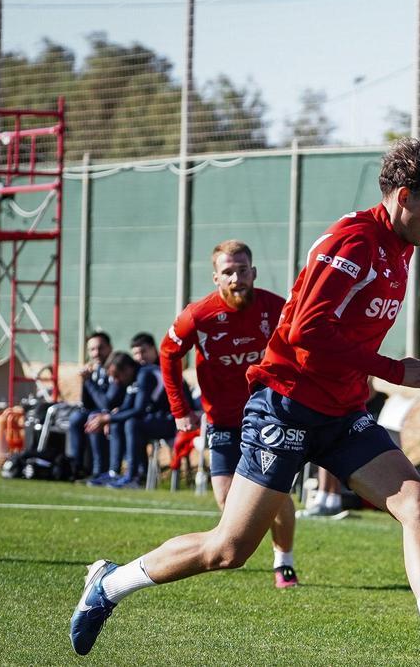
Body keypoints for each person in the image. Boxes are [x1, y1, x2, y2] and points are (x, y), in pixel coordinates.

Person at [71, 138, 420, 666]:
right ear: (404, 196)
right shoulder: (353, 243)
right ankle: (108, 584)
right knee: (229, 550)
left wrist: (374, 374)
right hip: (286, 405)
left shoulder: (400, 246)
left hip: (341, 411)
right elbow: (307, 331)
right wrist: (396, 369)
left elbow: (341, 333)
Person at [158, 239, 299, 588]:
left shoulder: (276, 308)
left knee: (276, 495)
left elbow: (301, 347)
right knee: (226, 499)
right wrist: (180, 410)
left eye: (242, 270)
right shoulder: (199, 316)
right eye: (228, 272)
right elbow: (168, 354)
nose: (237, 278)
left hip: (270, 417)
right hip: (222, 419)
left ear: (254, 272)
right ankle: (244, 543)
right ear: (216, 278)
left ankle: (284, 561)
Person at [85, 351, 177, 489]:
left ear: (128, 368)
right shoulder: (134, 378)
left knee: (131, 423)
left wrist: (108, 418)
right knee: (118, 423)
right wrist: (109, 418)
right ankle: (114, 472)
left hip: (173, 421)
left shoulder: (145, 374)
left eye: (117, 376)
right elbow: (127, 407)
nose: (116, 381)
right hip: (155, 418)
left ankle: (134, 477)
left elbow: (139, 409)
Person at [301, 377, 388, 518]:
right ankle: (325, 499)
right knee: (326, 449)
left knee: (330, 449)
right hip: (339, 410)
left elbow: (368, 389)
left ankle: (330, 500)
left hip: (349, 414)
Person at [68, 332, 126, 483]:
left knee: (94, 419)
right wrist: (85, 382)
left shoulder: (116, 368)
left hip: (117, 412)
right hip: (98, 410)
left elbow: (107, 403)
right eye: (92, 349)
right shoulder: (96, 369)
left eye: (100, 348)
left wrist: (89, 382)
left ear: (110, 348)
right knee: (75, 418)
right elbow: (87, 404)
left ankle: (99, 471)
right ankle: (76, 467)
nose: (96, 353)